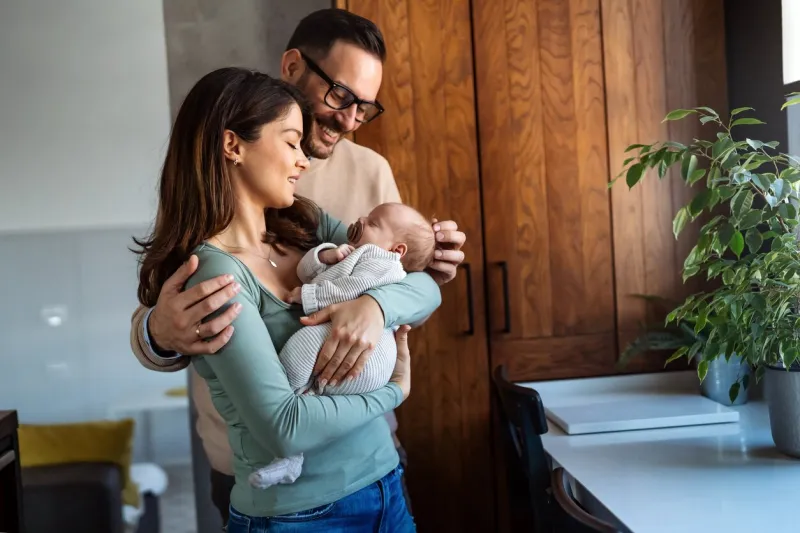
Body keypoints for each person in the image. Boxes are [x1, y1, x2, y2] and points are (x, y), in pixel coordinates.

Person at [128, 8, 466, 524]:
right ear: (292, 67)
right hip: (286, 494)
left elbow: (414, 281)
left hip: (379, 473)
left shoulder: (307, 215)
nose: (350, 120)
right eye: (341, 97)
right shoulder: (214, 254)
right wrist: (159, 330)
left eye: (365, 108)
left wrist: (375, 304)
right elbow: (163, 318)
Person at [249, 202, 436, 490]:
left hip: (370, 356)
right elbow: (305, 269)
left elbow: (350, 289)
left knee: (298, 351)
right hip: (354, 350)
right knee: (308, 384)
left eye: (373, 223)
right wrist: (327, 255)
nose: (361, 219)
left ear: (397, 250)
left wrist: (308, 296)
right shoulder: (354, 251)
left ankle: (290, 444)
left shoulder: (383, 262)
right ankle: (292, 456)